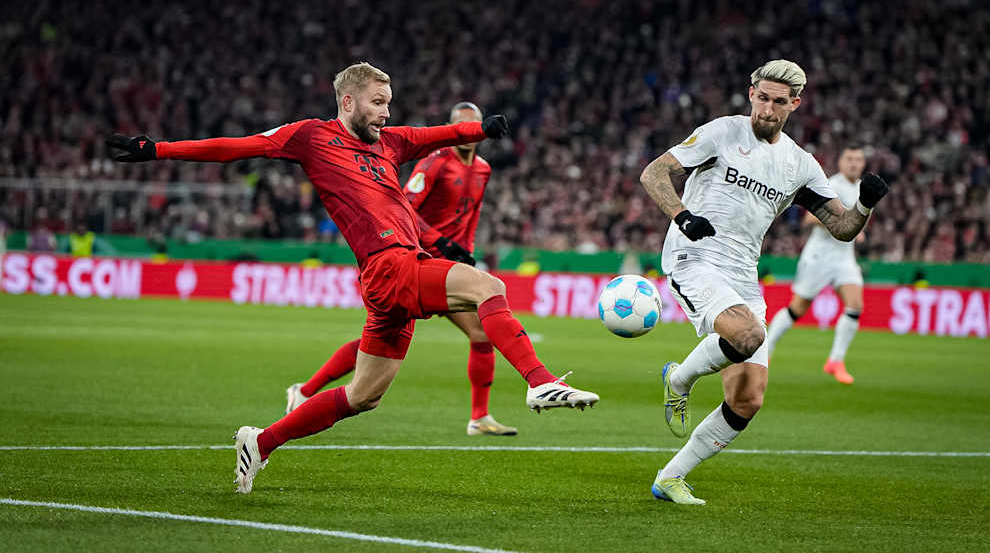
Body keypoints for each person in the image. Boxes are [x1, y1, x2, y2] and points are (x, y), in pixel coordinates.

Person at [108, 62, 599, 494]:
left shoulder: (390, 142)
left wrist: (480, 131)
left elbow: (434, 134)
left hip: (391, 273)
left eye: (390, 103)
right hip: (388, 262)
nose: (386, 112)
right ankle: (539, 383)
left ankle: (261, 441)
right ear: (348, 100)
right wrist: (160, 150)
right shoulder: (311, 136)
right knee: (490, 287)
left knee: (364, 396)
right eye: (378, 102)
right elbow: (239, 147)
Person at [638, 59, 888, 505]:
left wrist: (865, 204)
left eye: (779, 102)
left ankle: (671, 477)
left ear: (795, 104)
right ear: (751, 93)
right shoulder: (721, 132)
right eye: (762, 98)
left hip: (742, 275)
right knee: (748, 333)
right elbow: (654, 173)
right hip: (693, 255)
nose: (767, 110)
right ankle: (679, 381)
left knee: (748, 398)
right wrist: (682, 216)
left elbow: (842, 227)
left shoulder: (799, 164)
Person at [286, 101, 518, 436]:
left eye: (475, 125)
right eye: (462, 125)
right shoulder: (435, 162)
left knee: (402, 338)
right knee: (391, 340)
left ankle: (479, 417)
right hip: (416, 260)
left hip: (452, 264)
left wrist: (464, 251)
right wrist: (441, 242)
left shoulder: (483, 168)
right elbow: (404, 208)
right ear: (453, 127)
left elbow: (471, 215)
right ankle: (305, 390)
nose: (469, 133)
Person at [763, 146, 870, 384]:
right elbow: (810, 218)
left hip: (844, 257)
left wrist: (857, 231)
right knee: (798, 308)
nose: (853, 164)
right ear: (841, 162)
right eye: (849, 158)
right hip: (819, 257)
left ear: (863, 164)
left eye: (858, 159)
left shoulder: (862, 188)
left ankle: (835, 361)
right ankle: (766, 350)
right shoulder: (832, 185)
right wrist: (846, 224)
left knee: (855, 305)